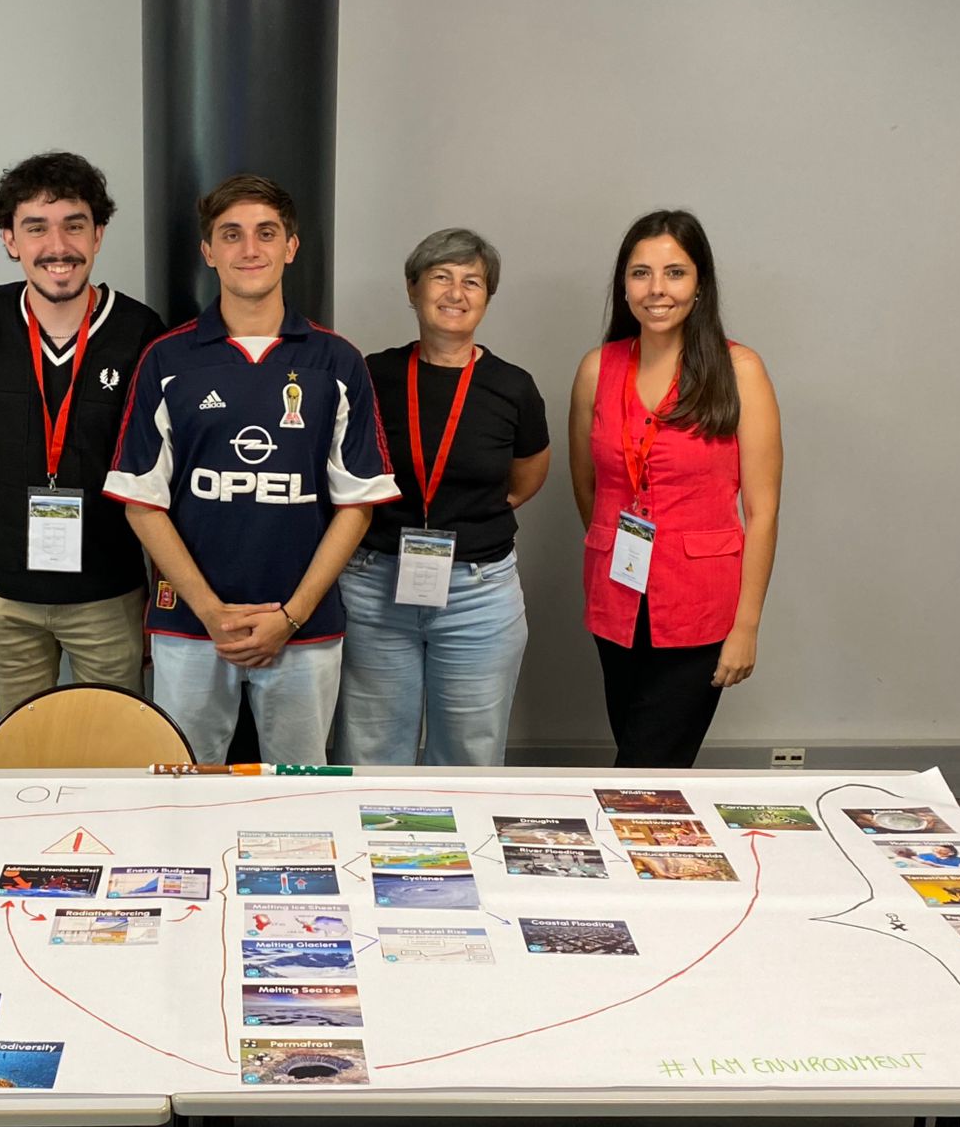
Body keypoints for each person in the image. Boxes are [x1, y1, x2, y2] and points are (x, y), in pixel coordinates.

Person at [106, 173, 398, 763]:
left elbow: (357, 505)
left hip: (304, 626)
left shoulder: (336, 361)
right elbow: (142, 502)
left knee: (298, 783)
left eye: (266, 233)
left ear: (291, 247)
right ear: (208, 251)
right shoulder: (167, 359)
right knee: (185, 781)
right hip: (192, 625)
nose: (249, 249)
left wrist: (290, 617)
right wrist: (211, 612)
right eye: (231, 234)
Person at [567, 209, 783, 767]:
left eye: (675, 273)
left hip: (700, 606)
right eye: (641, 273)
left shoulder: (740, 370)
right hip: (615, 600)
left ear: (700, 284)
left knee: (646, 769)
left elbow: (762, 511)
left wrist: (747, 626)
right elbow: (588, 487)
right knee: (640, 758)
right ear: (624, 285)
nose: (657, 289)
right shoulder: (597, 369)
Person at [336, 228, 551, 766]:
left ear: (487, 297)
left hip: (478, 594)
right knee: (371, 752)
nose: (456, 293)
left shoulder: (513, 387)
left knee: (469, 756)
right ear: (413, 289)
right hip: (375, 586)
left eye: (472, 282)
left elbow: (525, 479)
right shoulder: (372, 376)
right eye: (441, 277)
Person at [0, 152, 166, 716]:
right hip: (8, 589)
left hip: (107, 590)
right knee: (20, 744)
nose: (58, 246)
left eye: (74, 225)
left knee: (113, 743)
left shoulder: (140, 329)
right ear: (10, 239)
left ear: (98, 235)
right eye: (36, 227)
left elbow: (155, 469)